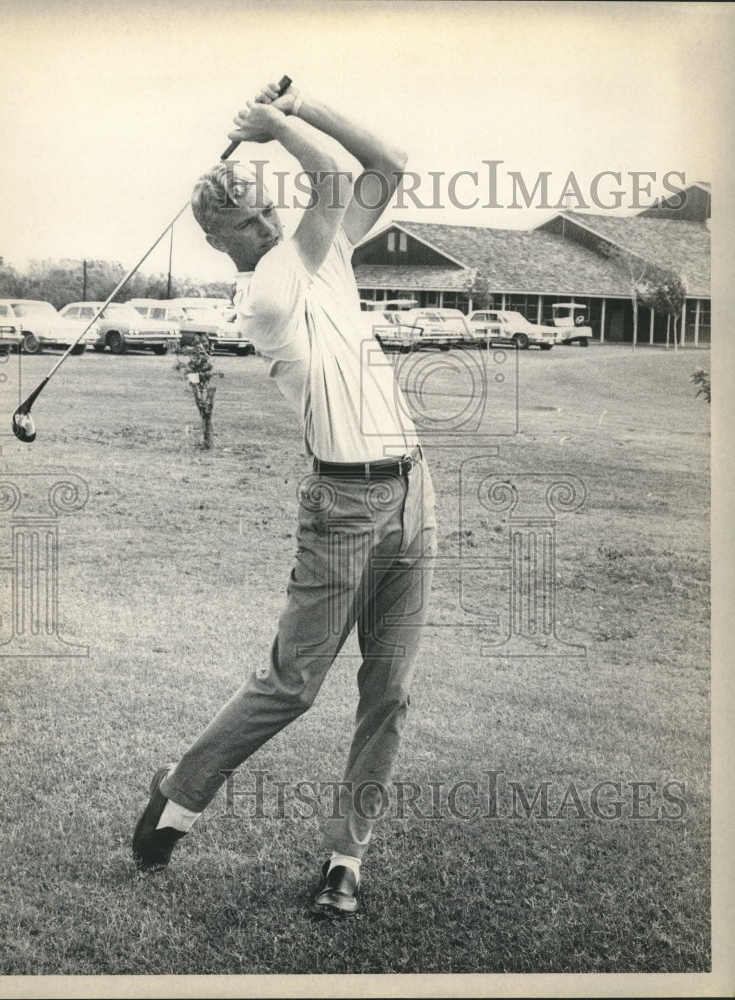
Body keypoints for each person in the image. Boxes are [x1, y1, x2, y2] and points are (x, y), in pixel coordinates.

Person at [132, 80, 437, 917]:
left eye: (268, 209)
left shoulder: (321, 254)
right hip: (343, 504)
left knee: (391, 690)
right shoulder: (268, 290)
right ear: (220, 240)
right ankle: (179, 792)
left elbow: (386, 164)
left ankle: (346, 859)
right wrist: (276, 125)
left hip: (414, 491)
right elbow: (330, 182)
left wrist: (305, 108)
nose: (268, 223)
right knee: (293, 683)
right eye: (249, 219)